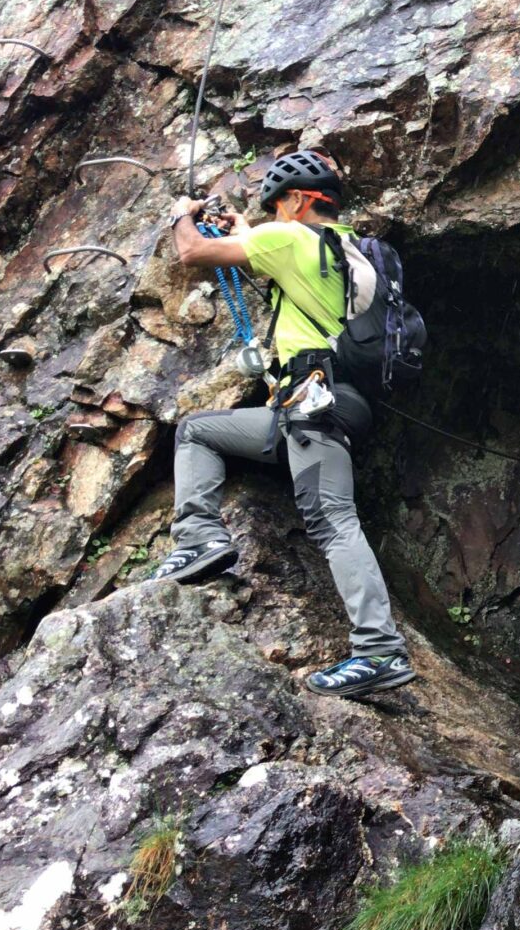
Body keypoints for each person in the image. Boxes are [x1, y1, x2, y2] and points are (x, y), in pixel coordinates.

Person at [147, 149, 415, 698]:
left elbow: (193, 251)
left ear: (296, 200)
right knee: (197, 430)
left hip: (312, 405)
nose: (271, 213)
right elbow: (265, 254)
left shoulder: (289, 238)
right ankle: (199, 539)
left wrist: (181, 212)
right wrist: (246, 229)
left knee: (333, 520)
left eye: (276, 203)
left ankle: (379, 650)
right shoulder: (339, 249)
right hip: (324, 404)